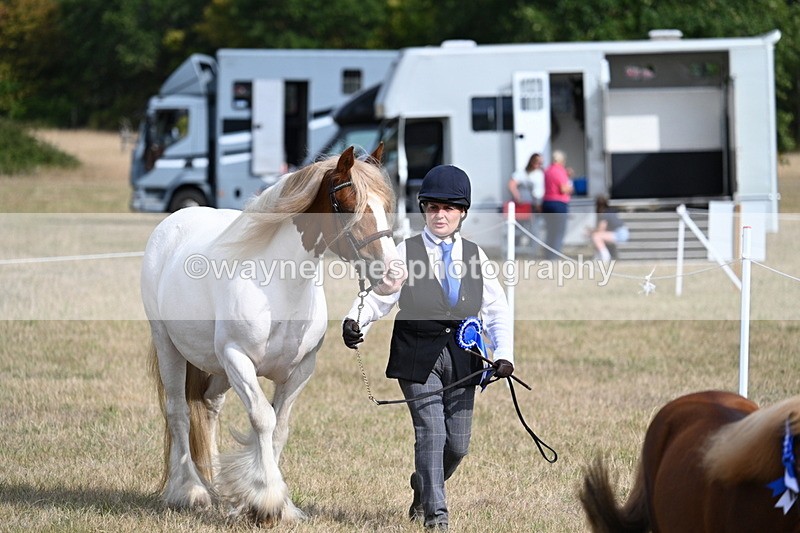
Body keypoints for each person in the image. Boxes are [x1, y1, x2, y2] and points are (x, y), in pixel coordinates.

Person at [341, 165, 514, 531]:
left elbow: (496, 309)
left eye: (449, 208)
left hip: (464, 358)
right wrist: (355, 320)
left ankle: (423, 483)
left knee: (458, 446)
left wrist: (504, 355)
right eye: (433, 207)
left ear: (462, 212)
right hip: (417, 356)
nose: (440, 215)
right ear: (424, 209)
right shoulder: (404, 252)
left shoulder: (477, 256)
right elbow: (380, 297)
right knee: (431, 433)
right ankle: (436, 518)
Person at [507, 153, 544, 255]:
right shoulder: (522, 173)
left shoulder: (540, 174)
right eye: (537, 162)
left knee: (534, 229)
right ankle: (514, 252)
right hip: (523, 206)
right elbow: (511, 185)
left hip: (536, 204)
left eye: (541, 163)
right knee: (518, 229)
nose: (539, 164)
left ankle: (533, 252)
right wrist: (518, 197)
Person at [541, 150, 574, 260]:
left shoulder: (547, 170)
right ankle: (554, 257)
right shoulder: (560, 171)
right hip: (559, 204)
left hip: (546, 202)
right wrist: (571, 187)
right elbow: (563, 189)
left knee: (550, 231)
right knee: (559, 231)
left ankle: (547, 255)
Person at [589, 195, 629, 262]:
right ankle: (601, 255)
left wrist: (591, 231)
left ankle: (605, 256)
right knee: (600, 237)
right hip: (623, 232)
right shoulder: (611, 210)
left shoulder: (605, 214)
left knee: (596, 236)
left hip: (620, 234)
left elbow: (600, 229)